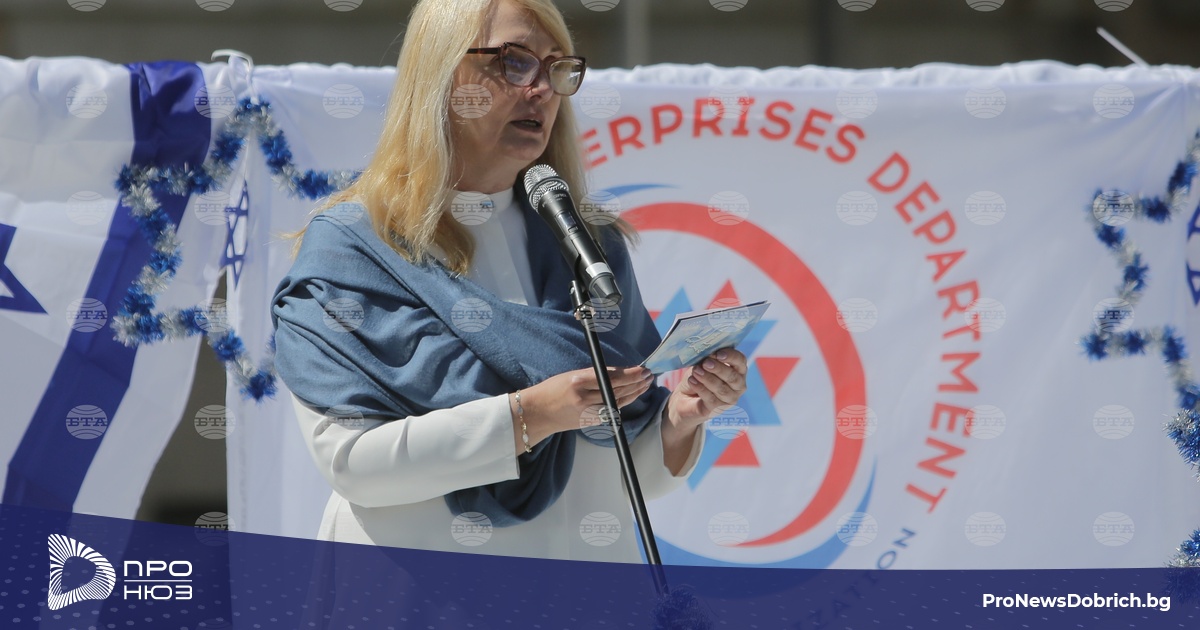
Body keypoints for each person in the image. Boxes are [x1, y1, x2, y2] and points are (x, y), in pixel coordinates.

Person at [271, 0, 748, 562]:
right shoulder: (355, 249)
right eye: (514, 62)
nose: (542, 89)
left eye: (556, 68)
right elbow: (352, 464)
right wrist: (530, 415)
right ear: (441, 74)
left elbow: (615, 470)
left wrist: (679, 419)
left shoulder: (585, 243)